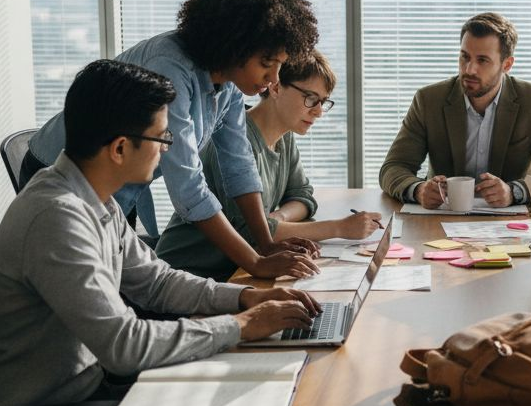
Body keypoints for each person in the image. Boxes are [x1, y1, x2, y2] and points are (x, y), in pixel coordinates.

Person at [0, 60, 322, 406]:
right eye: (162, 138)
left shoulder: (95, 198)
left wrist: (241, 300)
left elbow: (155, 282)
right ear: (120, 148)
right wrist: (239, 328)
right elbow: (125, 346)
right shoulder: (58, 217)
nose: (168, 148)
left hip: (75, 397)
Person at [21, 0, 319, 280]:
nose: (274, 79)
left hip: (120, 175)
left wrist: (266, 243)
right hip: (64, 167)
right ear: (237, 45)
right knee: (92, 279)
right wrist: (256, 262)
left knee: (119, 275)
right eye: (267, 64)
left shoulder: (229, 82)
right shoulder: (171, 70)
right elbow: (188, 185)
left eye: (279, 66)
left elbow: (239, 162)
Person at [156, 51, 383, 278]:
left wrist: (280, 217)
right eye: (311, 98)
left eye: (323, 102)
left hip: (235, 270)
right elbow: (250, 232)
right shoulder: (231, 141)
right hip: (189, 274)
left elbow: (303, 196)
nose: (318, 112)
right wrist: (339, 228)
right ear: (275, 87)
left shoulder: (285, 135)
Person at [379, 12, 531, 207]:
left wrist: (514, 192)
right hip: (441, 217)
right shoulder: (429, 100)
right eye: (464, 57)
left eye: (482, 60)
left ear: (507, 64)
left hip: (509, 223)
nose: (469, 69)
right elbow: (393, 168)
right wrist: (418, 189)